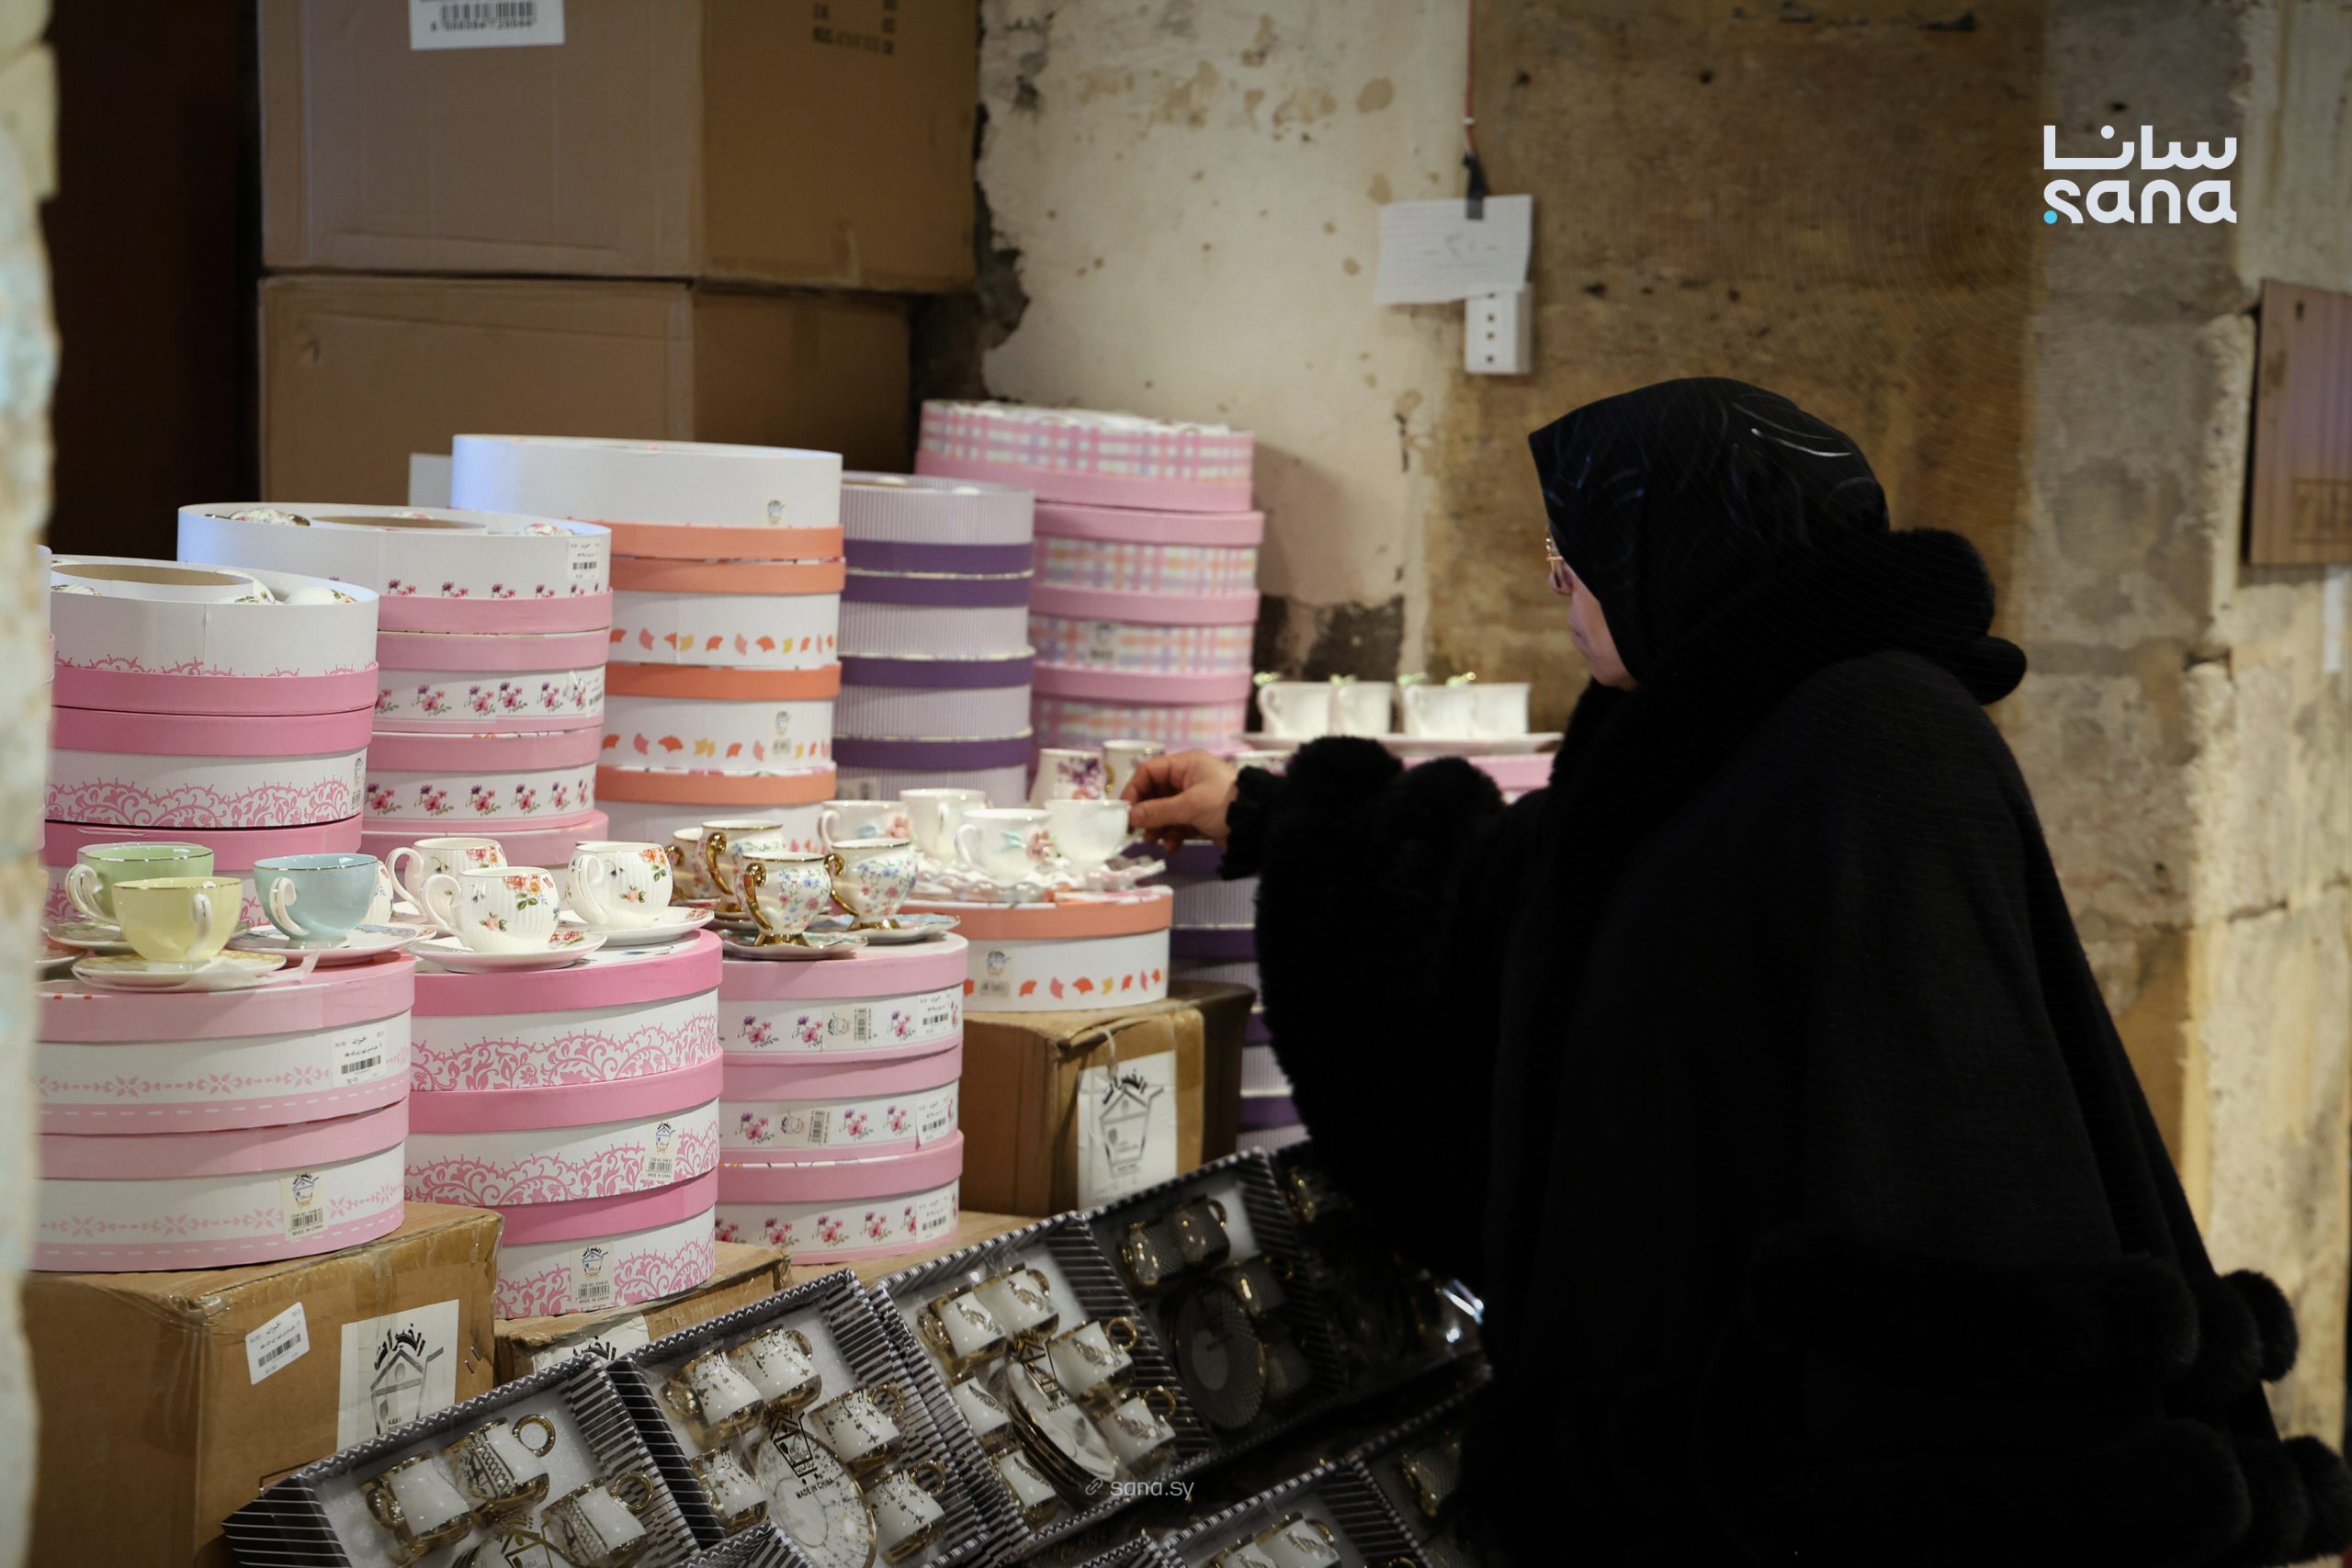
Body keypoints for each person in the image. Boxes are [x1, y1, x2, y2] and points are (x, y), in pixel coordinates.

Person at [1122, 378, 2352, 1566]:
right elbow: (1524, 890)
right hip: (1696, 1428)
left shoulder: (1879, 745)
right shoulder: (1702, 725)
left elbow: (1953, 1147)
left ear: (1681, 548)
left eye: (1574, 553)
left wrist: (1854, 1468)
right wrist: (1281, 817)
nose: (1557, 583)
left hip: (1818, 1465)